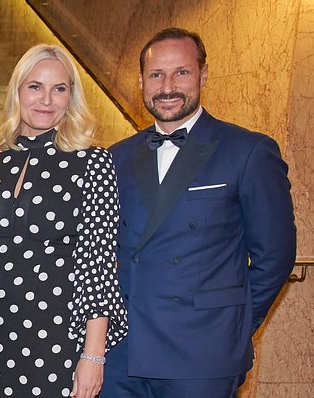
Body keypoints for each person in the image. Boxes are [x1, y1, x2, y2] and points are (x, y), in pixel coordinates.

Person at [103, 27, 297, 398]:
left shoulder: (248, 151)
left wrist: (233, 325)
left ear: (203, 75)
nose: (167, 87)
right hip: (122, 355)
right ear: (142, 80)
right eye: (156, 74)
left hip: (202, 354)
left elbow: (276, 256)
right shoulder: (117, 156)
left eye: (182, 72)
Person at [0, 43, 128, 398]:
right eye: (35, 86)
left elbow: (98, 263)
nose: (46, 99)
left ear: (71, 97)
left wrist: (93, 355)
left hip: (56, 337)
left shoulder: (93, 163)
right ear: (18, 91)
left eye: (59, 89)